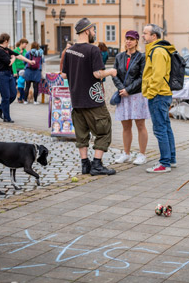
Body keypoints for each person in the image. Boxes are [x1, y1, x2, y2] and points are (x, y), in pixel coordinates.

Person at [61, 17, 117, 176]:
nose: (94, 33)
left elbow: (64, 75)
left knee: (82, 133)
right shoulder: (93, 50)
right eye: (93, 30)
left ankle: (85, 164)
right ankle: (97, 165)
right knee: (104, 130)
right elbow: (97, 73)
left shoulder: (69, 51)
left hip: (76, 100)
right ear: (87, 31)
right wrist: (111, 71)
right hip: (93, 100)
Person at [142, 23, 176, 173]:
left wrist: (151, 92)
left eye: (145, 33)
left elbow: (158, 75)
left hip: (158, 95)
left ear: (153, 36)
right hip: (162, 94)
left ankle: (164, 163)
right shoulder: (157, 50)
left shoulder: (158, 52)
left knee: (160, 129)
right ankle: (171, 159)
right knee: (166, 127)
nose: (143, 36)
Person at [113, 31, 150, 165]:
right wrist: (122, 89)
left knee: (140, 124)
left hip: (137, 95)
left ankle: (142, 154)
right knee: (125, 125)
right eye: (127, 39)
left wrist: (129, 90)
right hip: (123, 95)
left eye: (131, 39)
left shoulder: (141, 57)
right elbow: (115, 74)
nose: (128, 41)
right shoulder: (119, 57)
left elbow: (142, 77)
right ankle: (126, 153)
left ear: (136, 41)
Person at [0, 33, 35, 123]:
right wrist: (13, 59)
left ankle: (0, 108)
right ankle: (6, 117)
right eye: (8, 41)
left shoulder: (7, 50)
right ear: (5, 41)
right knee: (6, 96)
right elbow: (9, 62)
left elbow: (17, 55)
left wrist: (29, 61)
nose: (9, 42)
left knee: (13, 94)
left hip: (8, 74)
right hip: (1, 75)